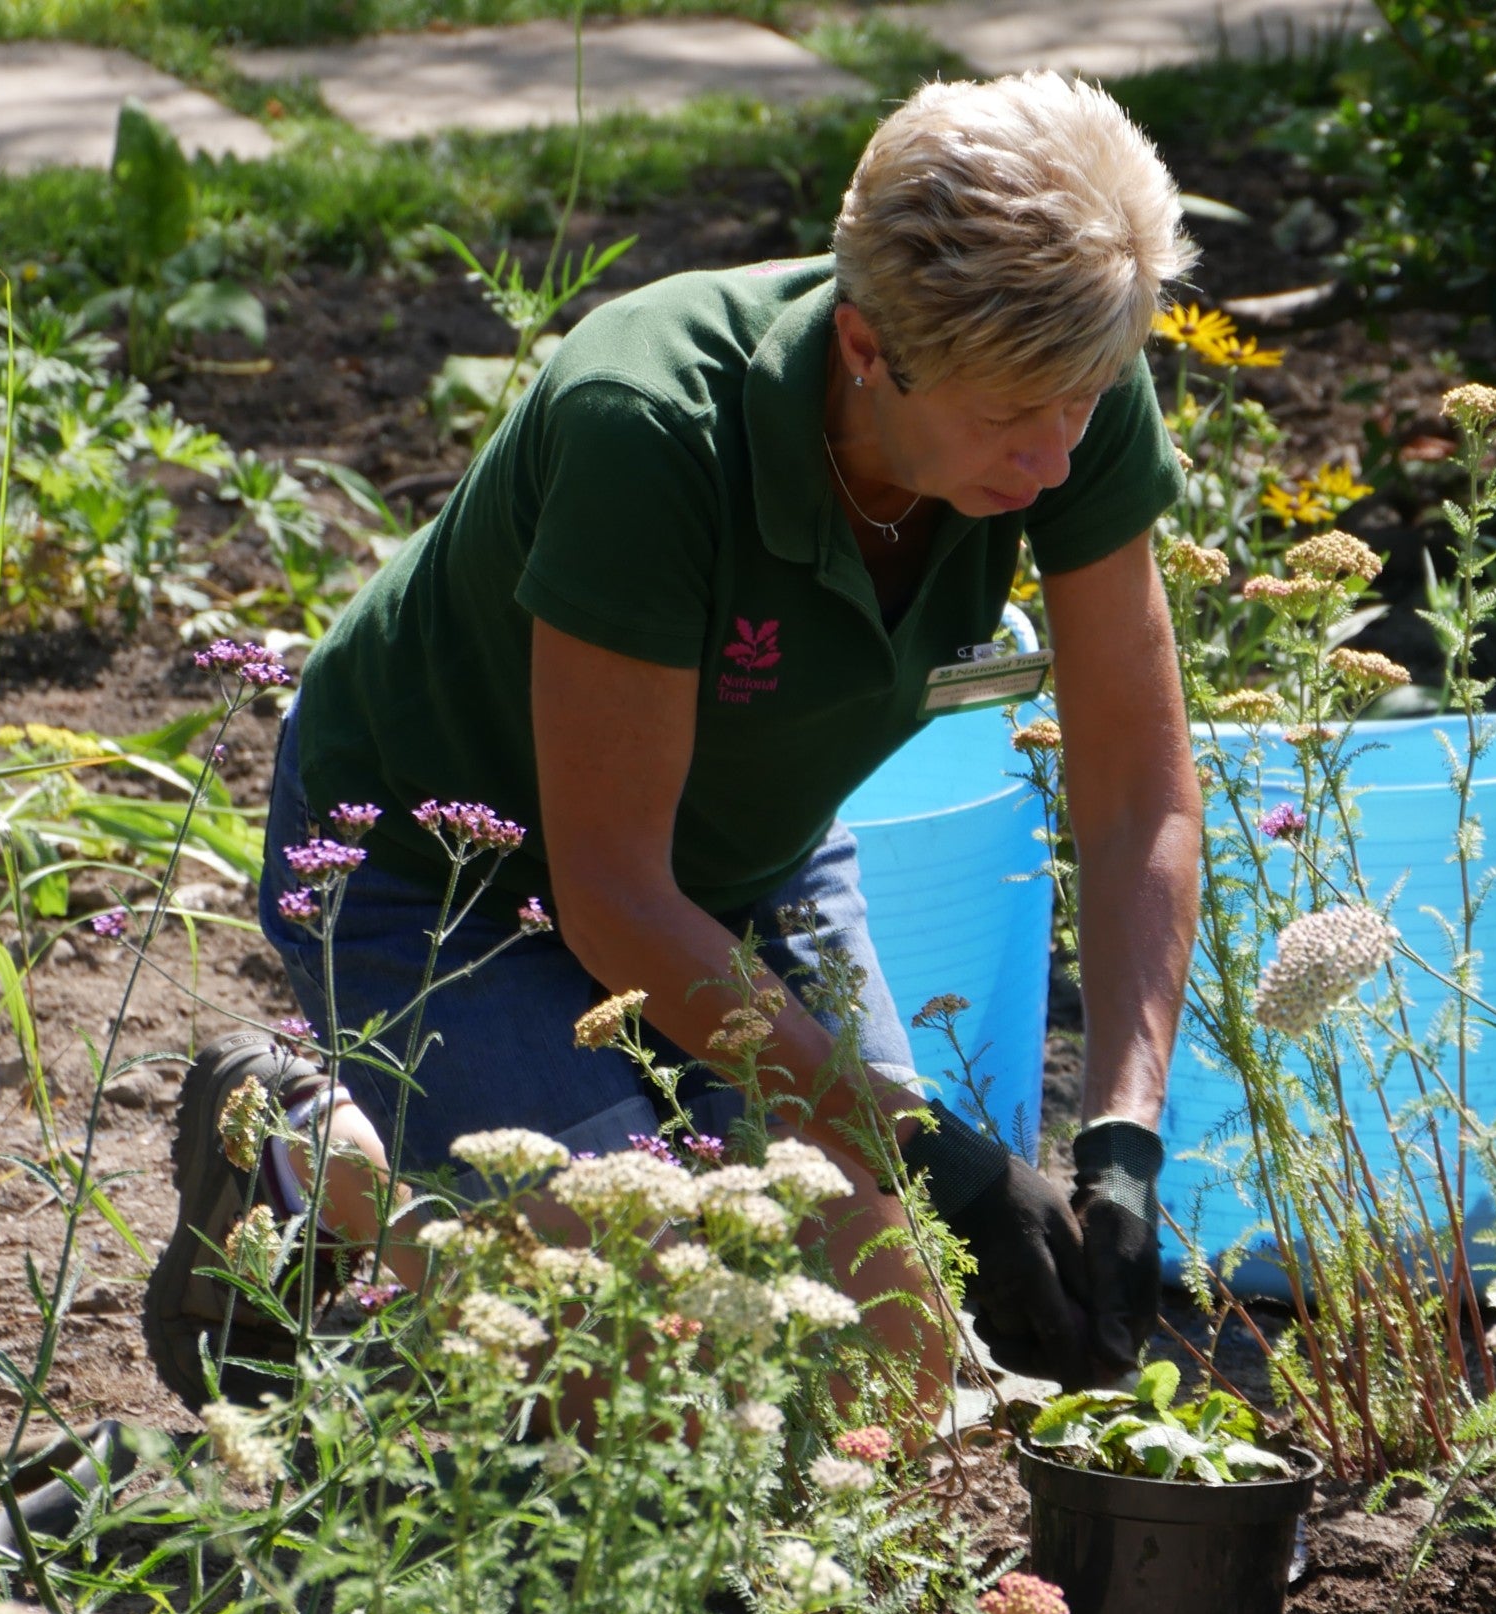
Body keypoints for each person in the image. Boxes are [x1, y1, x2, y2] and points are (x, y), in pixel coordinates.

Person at [142, 71, 1205, 1414]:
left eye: (1087, 401)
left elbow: (1135, 791)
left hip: (738, 861)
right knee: (642, 1365)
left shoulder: (1061, 374)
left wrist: (1122, 1137)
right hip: (432, 874)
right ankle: (305, 1162)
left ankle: (448, 1212)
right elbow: (616, 901)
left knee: (882, 1379)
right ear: (869, 349)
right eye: (1013, 419)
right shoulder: (649, 427)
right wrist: (944, 1158)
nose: (1058, 459)